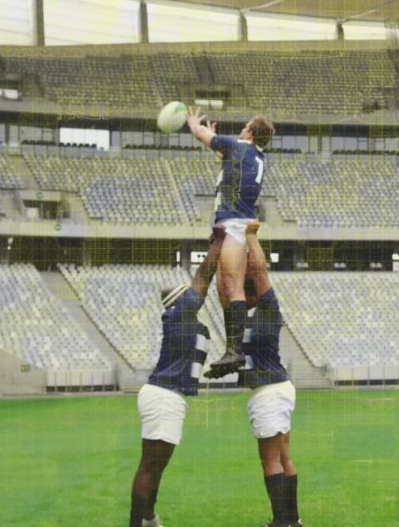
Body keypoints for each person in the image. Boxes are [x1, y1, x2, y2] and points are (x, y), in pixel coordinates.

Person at [129, 228, 225, 527]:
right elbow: (204, 276)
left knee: (155, 467)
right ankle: (137, 522)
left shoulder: (181, 320)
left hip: (165, 394)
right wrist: (219, 243)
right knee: (149, 467)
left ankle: (148, 517)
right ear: (181, 301)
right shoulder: (181, 312)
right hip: (165, 395)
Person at [185, 105, 275, 378]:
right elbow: (228, 158)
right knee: (225, 288)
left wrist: (193, 123)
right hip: (231, 222)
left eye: (244, 126)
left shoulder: (240, 147)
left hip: (233, 223)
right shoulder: (252, 154)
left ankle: (235, 350)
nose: (240, 130)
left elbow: (200, 134)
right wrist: (217, 148)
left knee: (231, 285)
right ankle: (232, 351)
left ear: (248, 132)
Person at [232, 222, 302, 527]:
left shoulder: (260, 312)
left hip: (268, 391)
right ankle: (292, 519)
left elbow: (258, 271)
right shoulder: (256, 314)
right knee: (284, 456)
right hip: (279, 387)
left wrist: (250, 236)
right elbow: (251, 275)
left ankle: (281, 522)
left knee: (270, 460)